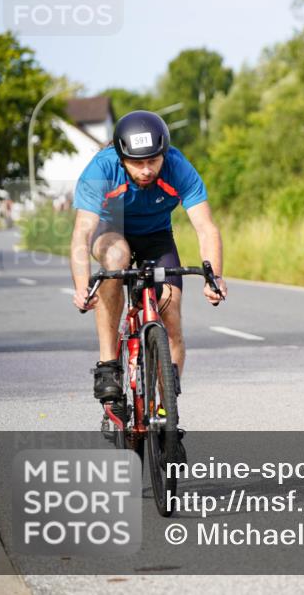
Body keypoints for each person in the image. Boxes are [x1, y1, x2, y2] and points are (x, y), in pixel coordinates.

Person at [69, 110, 227, 408]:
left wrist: (214, 277)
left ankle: (167, 407)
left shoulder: (178, 167)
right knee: (117, 258)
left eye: (152, 161)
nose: (146, 170)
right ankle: (108, 364)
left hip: (157, 237)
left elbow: (206, 227)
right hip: (111, 230)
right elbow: (81, 234)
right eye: (137, 163)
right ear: (120, 157)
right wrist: (81, 286)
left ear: (164, 154)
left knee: (171, 310)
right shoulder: (100, 170)